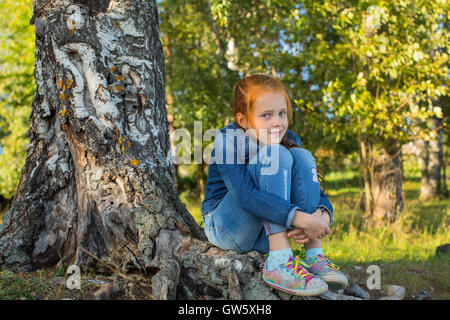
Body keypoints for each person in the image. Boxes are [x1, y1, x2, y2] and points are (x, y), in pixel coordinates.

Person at [201, 74, 347, 296]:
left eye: (282, 113)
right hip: (226, 228)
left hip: (263, 234)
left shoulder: (289, 137)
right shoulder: (227, 140)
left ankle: (314, 256)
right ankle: (279, 262)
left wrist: (323, 214)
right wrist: (298, 217)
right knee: (276, 154)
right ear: (243, 121)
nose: (277, 122)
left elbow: (307, 183)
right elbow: (245, 195)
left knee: (303, 157)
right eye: (266, 115)